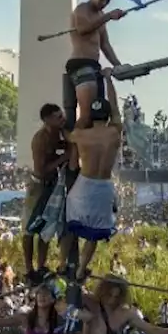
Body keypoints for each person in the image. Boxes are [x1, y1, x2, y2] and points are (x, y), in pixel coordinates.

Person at [64, 78, 122, 279]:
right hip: (104, 185)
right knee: (95, 233)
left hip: (84, 184)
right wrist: (109, 79)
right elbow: (115, 107)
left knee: (70, 220)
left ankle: (66, 261)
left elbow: (68, 135)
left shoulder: (80, 135)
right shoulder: (115, 132)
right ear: (107, 117)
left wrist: (81, 118)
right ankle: (81, 269)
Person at [68, 0, 125, 129]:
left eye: (108, 0)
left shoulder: (101, 16)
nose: (104, 3)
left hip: (94, 65)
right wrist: (108, 17)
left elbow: (105, 45)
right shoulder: (81, 9)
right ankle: (74, 149)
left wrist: (118, 65)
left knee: (97, 116)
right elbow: (83, 29)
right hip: (81, 64)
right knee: (86, 115)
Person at [23, 104, 67, 284]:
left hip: (51, 185)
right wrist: (63, 158)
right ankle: (29, 269)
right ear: (47, 120)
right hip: (38, 186)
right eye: (58, 117)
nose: (62, 119)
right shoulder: (40, 139)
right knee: (29, 230)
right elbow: (41, 169)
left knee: (45, 229)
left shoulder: (57, 133)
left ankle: (41, 266)